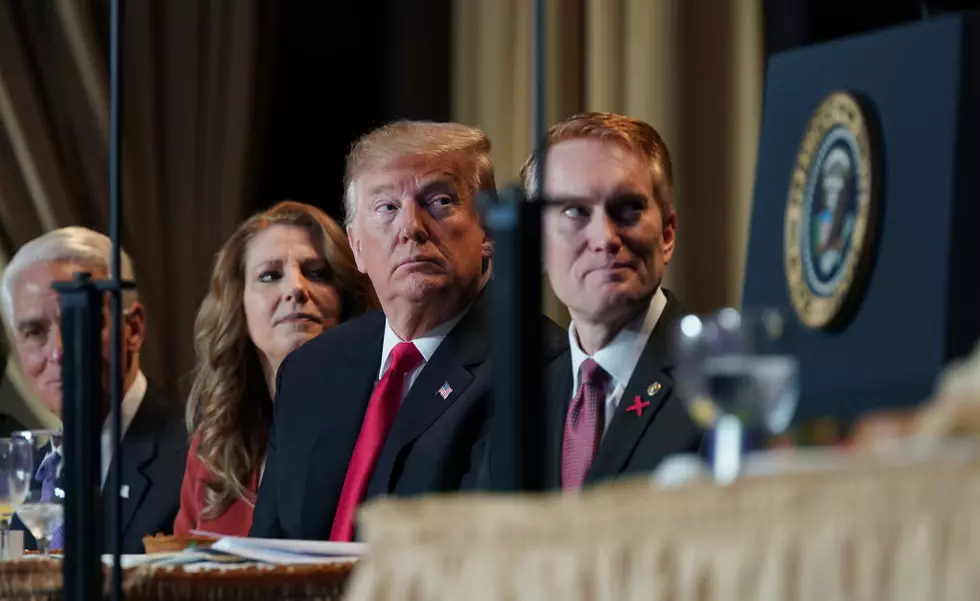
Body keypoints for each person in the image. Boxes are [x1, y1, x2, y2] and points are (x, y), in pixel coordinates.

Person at [250, 121, 566, 541]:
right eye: (386, 208)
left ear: (488, 231)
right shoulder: (309, 371)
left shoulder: (535, 364)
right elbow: (266, 553)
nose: (411, 227)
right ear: (356, 245)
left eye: (439, 201)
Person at [479, 112, 703, 492]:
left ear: (666, 235)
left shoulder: (717, 381)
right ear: (538, 246)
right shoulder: (515, 399)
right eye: (575, 211)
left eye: (629, 208)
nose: (605, 237)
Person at [174, 201, 376, 537]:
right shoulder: (212, 445)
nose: (296, 289)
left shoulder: (380, 420)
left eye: (317, 273)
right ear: (237, 306)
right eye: (270, 275)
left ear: (345, 296)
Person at [0, 226, 187, 553]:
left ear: (133, 329)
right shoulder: (27, 478)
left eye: (78, 322)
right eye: (34, 331)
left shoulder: (196, 457)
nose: (58, 351)